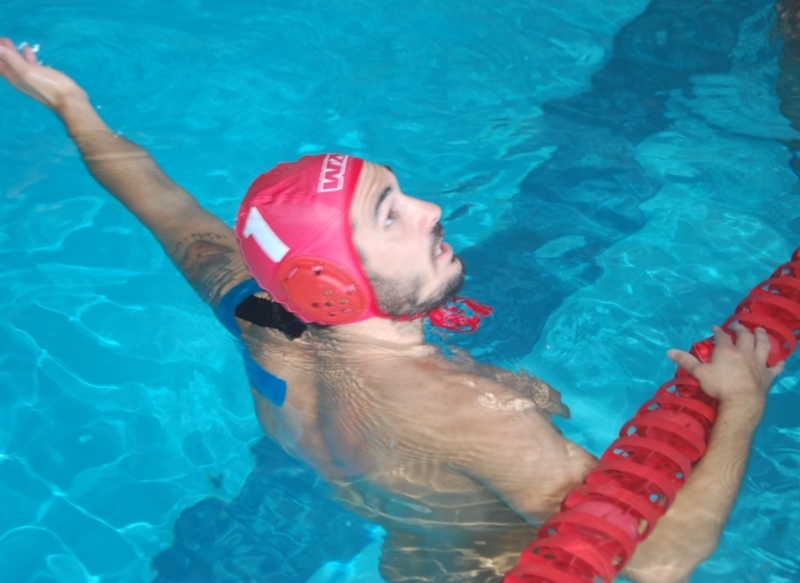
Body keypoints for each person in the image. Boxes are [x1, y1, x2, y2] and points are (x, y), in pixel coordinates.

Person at [0, 37, 784, 583]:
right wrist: (743, 404)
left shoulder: (265, 321)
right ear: (332, 285)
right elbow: (661, 559)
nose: (431, 207)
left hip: (419, 549)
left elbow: (165, 205)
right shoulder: (472, 413)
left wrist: (71, 104)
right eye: (390, 215)